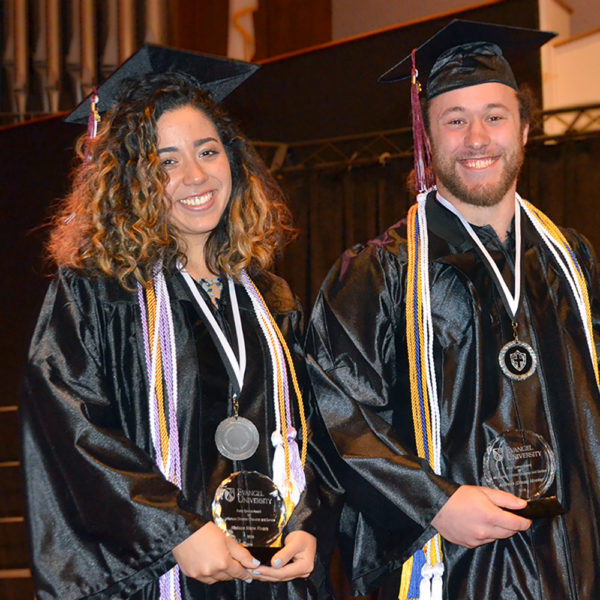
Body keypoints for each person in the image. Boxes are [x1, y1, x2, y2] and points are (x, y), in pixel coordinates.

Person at [21, 45, 339, 600]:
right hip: (166, 575)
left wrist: (308, 524)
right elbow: (72, 432)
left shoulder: (270, 298)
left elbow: (312, 429)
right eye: (166, 161)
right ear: (132, 180)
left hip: (270, 575)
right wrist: (174, 532)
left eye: (207, 151)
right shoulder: (99, 293)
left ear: (233, 161)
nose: (195, 175)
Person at [305, 20, 600, 600]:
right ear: (427, 138)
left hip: (577, 559)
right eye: (455, 120)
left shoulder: (572, 261)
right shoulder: (379, 274)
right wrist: (433, 504)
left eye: (495, 116)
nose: (477, 138)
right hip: (457, 565)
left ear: (525, 128)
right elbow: (337, 417)